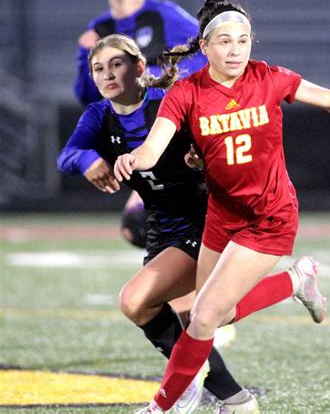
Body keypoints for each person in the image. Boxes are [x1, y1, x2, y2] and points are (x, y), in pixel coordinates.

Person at [114, 0, 330, 413]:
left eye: (243, 40)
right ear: (204, 47)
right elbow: (153, 148)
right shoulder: (186, 92)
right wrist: (134, 159)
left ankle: (163, 406)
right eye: (224, 41)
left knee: (202, 317)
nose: (235, 49)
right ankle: (296, 281)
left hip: (269, 217)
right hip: (222, 216)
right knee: (211, 317)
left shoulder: (268, 77)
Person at [58, 34, 260, 413]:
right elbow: (67, 155)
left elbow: (220, 141)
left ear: (138, 67)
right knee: (190, 320)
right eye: (98, 69)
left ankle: (183, 385)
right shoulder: (98, 115)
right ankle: (236, 400)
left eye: (116, 64)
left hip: (205, 221)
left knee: (136, 302)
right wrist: (87, 162)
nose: (107, 74)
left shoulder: (169, 102)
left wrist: (202, 158)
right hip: (161, 228)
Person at [74, 0, 207, 249]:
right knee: (138, 227)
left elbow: (205, 55)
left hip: (176, 134)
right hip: (134, 137)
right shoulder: (98, 31)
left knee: (164, 221)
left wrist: (154, 76)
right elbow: (86, 95)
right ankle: (186, 288)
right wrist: (85, 57)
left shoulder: (163, 15)